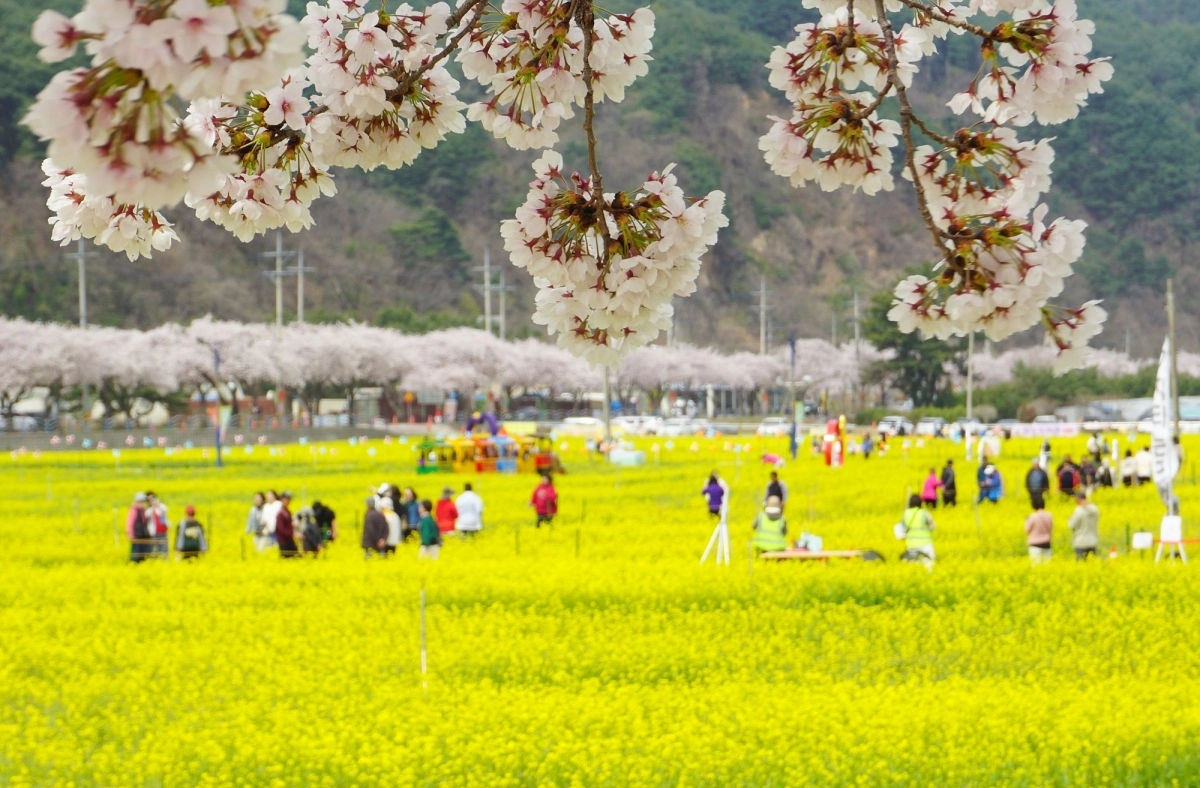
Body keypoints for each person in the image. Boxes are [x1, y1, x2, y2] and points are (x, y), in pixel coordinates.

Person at [899, 493, 935, 565]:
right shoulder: (924, 513)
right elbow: (932, 527)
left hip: (911, 546)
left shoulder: (905, 514)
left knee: (915, 566)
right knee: (929, 567)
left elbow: (901, 530)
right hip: (926, 544)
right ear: (920, 502)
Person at [1068, 490, 1100, 560]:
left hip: (1080, 542)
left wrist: (1070, 519)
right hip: (1093, 541)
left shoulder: (1078, 510)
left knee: (1081, 564)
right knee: (1092, 566)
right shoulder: (1095, 509)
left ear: (1078, 499)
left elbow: (1071, 525)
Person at [127, 492, 152, 563]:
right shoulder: (134, 509)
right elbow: (130, 522)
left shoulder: (143, 509)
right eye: (143, 501)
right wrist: (130, 533)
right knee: (136, 553)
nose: (144, 503)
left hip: (143, 534)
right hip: (137, 535)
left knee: (144, 553)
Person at [146, 491, 170, 557]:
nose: (151, 500)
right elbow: (146, 515)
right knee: (153, 551)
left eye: (153, 498)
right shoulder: (148, 509)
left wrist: (158, 505)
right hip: (153, 533)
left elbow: (165, 509)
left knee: (164, 550)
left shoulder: (161, 506)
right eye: (149, 499)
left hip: (163, 532)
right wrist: (153, 507)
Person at [275, 491, 299, 558]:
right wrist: (293, 534)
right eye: (287, 499)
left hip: (289, 540)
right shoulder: (280, 513)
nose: (288, 501)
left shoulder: (287, 511)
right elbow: (281, 529)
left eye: (289, 499)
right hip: (284, 542)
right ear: (282, 500)